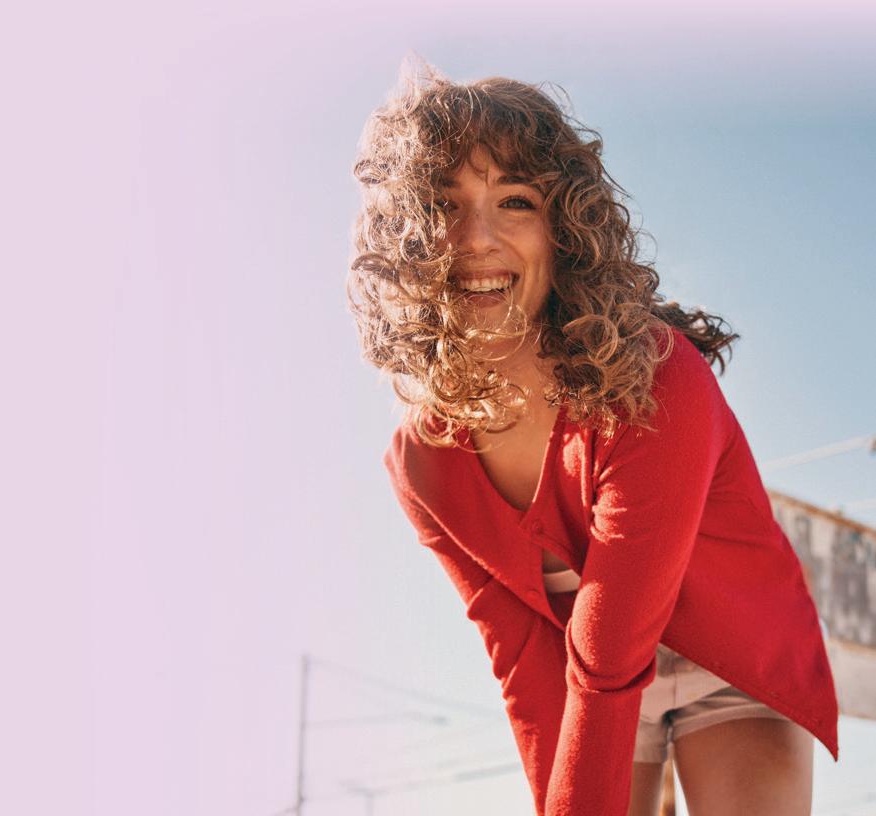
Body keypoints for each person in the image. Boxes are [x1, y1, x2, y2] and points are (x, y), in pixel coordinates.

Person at [347, 60, 839, 816]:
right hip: (584, 677)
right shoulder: (423, 465)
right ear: (405, 242)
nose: (477, 239)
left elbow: (610, 654)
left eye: (516, 201)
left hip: (730, 653)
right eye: (443, 205)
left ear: (564, 230)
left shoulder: (656, 378)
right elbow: (522, 660)